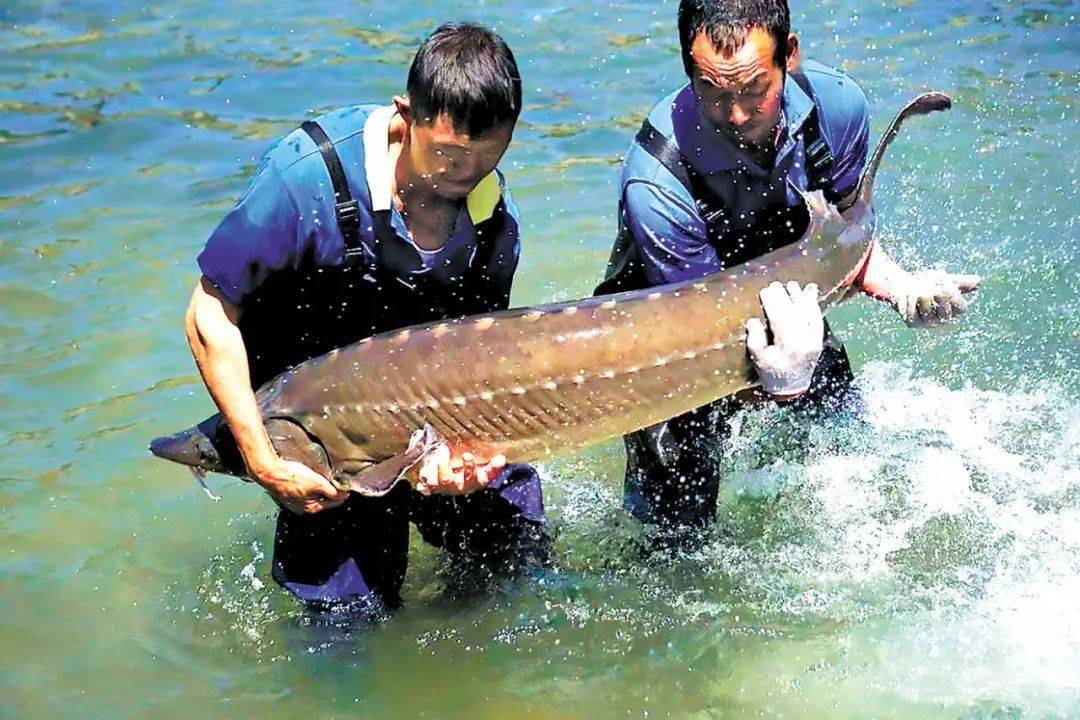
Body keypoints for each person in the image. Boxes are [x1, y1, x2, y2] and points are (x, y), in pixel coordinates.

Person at [184, 23, 545, 613]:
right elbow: (207, 316)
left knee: (516, 563)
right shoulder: (306, 179)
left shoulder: (494, 228)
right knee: (344, 621)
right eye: (450, 155)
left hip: (430, 411)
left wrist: (465, 462)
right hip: (325, 430)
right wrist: (261, 459)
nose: (466, 176)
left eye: (488, 157)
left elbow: (481, 370)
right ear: (406, 117)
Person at [596, 0, 981, 534]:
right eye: (712, 91)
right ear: (687, 69)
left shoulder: (838, 108)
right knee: (675, 539)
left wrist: (901, 287)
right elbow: (705, 339)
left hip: (787, 306)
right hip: (674, 343)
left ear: (790, 57)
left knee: (850, 461)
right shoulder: (656, 180)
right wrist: (775, 384)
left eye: (754, 89)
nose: (736, 114)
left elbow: (839, 242)